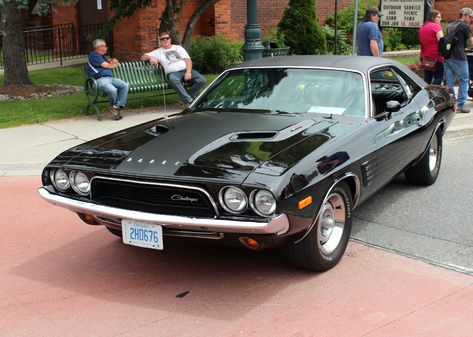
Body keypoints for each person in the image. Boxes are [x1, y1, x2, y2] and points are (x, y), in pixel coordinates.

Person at [141, 31, 206, 106]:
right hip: (173, 74)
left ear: (170, 39)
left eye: (167, 38)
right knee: (173, 80)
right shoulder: (158, 52)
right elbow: (143, 57)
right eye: (162, 39)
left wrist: (188, 72)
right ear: (160, 41)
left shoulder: (178, 48)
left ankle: (187, 97)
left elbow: (188, 60)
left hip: (185, 70)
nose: (165, 40)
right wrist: (151, 57)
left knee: (201, 80)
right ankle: (188, 101)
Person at [87, 39, 129, 120]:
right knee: (112, 90)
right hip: (99, 80)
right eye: (105, 46)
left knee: (125, 85)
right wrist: (114, 65)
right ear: (99, 47)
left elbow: (109, 61)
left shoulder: (101, 56)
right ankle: (114, 107)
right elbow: (106, 65)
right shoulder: (94, 55)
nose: (106, 48)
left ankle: (116, 107)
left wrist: (113, 60)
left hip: (110, 78)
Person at [443, 7, 473, 113]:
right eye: (470, 17)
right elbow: (471, 42)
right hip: (459, 57)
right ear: (464, 15)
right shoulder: (465, 26)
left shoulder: (450, 25)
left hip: (447, 56)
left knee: (449, 81)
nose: (471, 19)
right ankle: (460, 105)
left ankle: (449, 104)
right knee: (464, 80)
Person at [419, 10, 444, 85]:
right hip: (435, 57)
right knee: (438, 78)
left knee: (427, 77)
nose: (441, 19)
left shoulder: (422, 27)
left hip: (424, 56)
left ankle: (425, 94)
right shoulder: (436, 26)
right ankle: (434, 95)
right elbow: (442, 41)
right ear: (433, 17)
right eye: (438, 17)